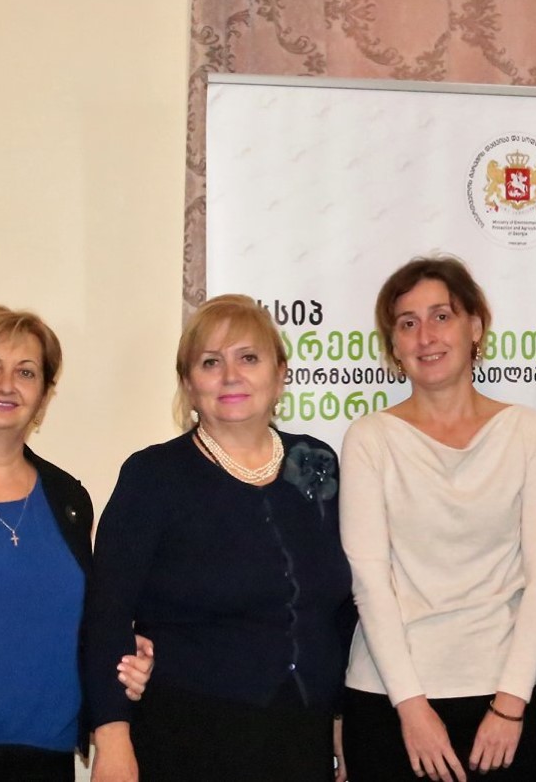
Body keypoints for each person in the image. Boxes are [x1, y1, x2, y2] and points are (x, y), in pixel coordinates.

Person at [83, 295, 355, 782]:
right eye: (211, 362)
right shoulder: (154, 475)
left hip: (302, 733)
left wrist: (339, 716)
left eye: (248, 358)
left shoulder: (316, 463)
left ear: (280, 374)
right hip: (189, 733)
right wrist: (112, 737)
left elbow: (337, 608)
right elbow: (106, 614)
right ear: (189, 385)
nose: (231, 376)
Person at [339, 256, 536, 782]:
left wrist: (510, 705)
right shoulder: (370, 439)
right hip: (390, 701)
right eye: (408, 323)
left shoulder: (528, 432)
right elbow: (370, 582)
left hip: (505, 701)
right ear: (394, 346)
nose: (426, 336)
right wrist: (411, 708)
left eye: (441, 316)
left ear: (475, 327)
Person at [0, 306, 152, 781]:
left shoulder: (68, 498)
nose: (7, 385)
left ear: (44, 396)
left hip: (44, 757)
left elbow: (86, 621)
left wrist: (125, 653)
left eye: (26, 372)